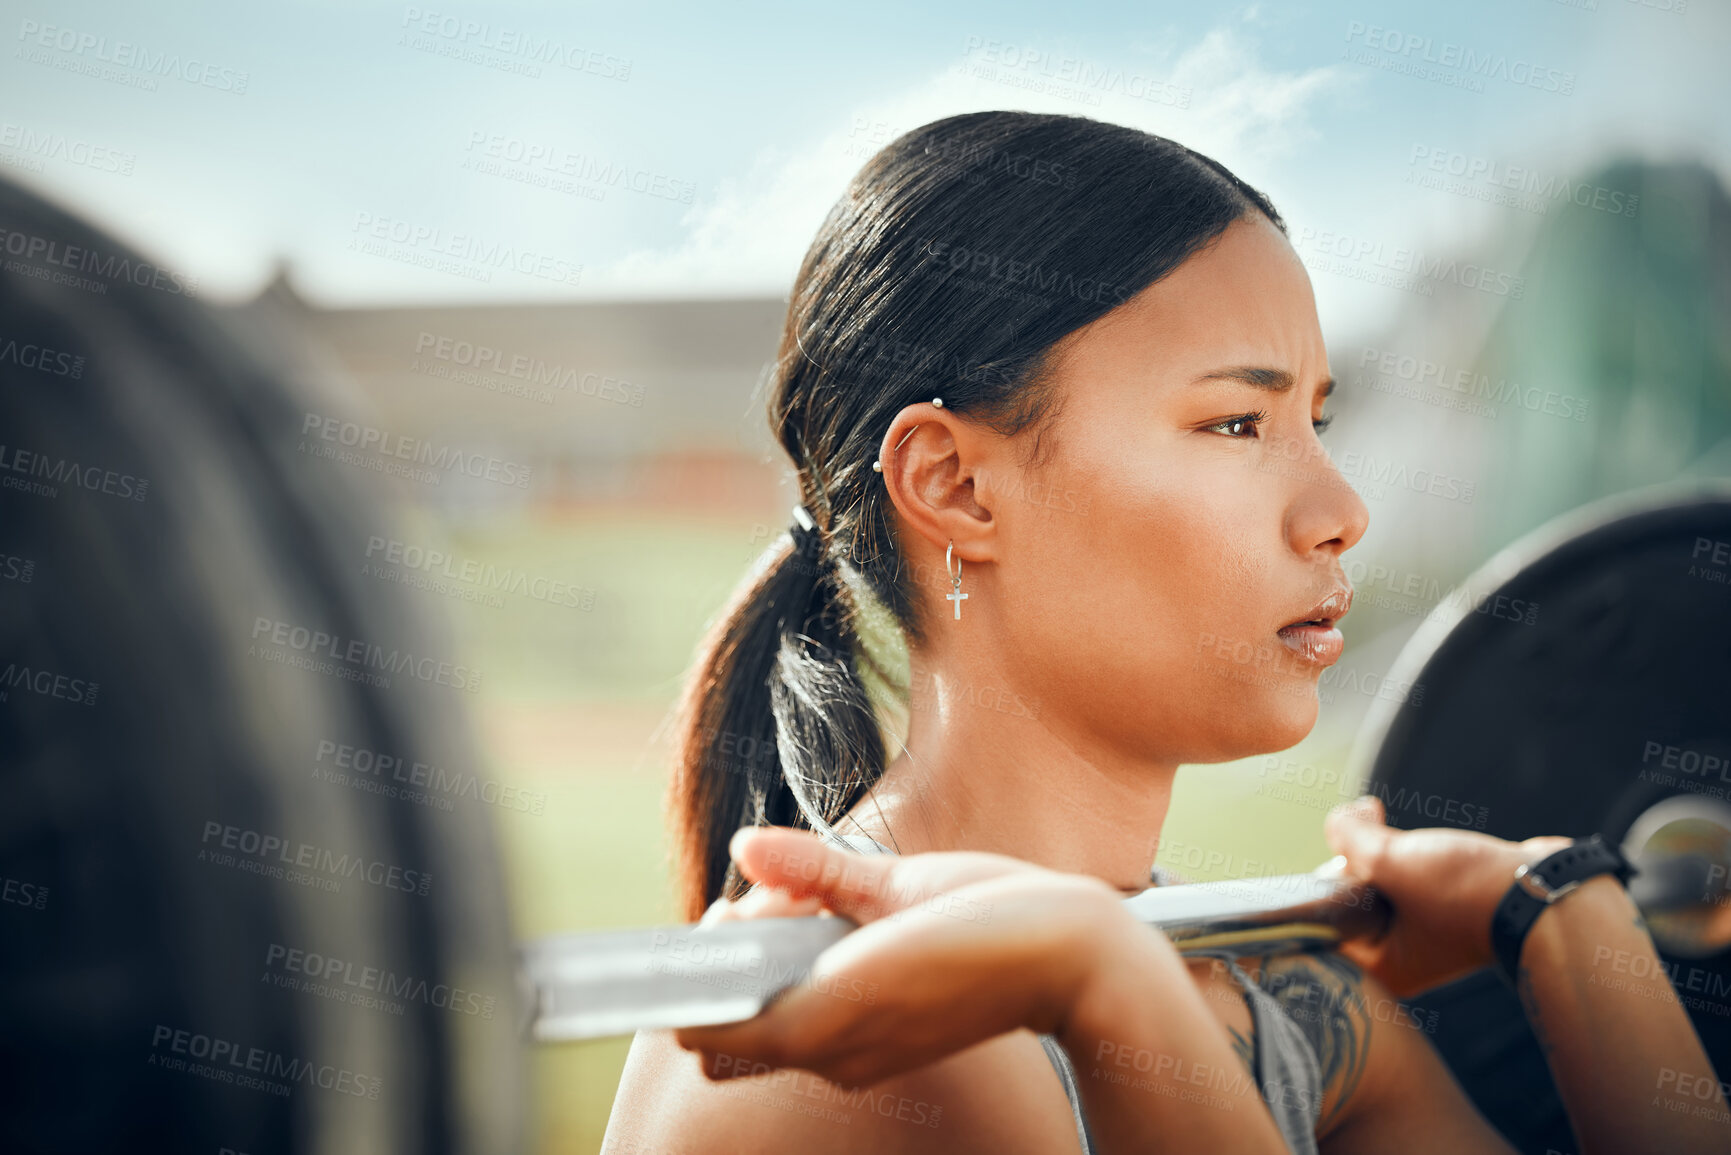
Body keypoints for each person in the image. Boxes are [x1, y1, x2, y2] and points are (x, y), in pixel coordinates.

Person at [602, 111, 1727, 1153]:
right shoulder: (856, 1029)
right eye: (1237, 422)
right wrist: (1101, 981)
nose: (1341, 513)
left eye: (1315, 420)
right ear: (955, 486)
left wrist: (1563, 919)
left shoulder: (1278, 1000)